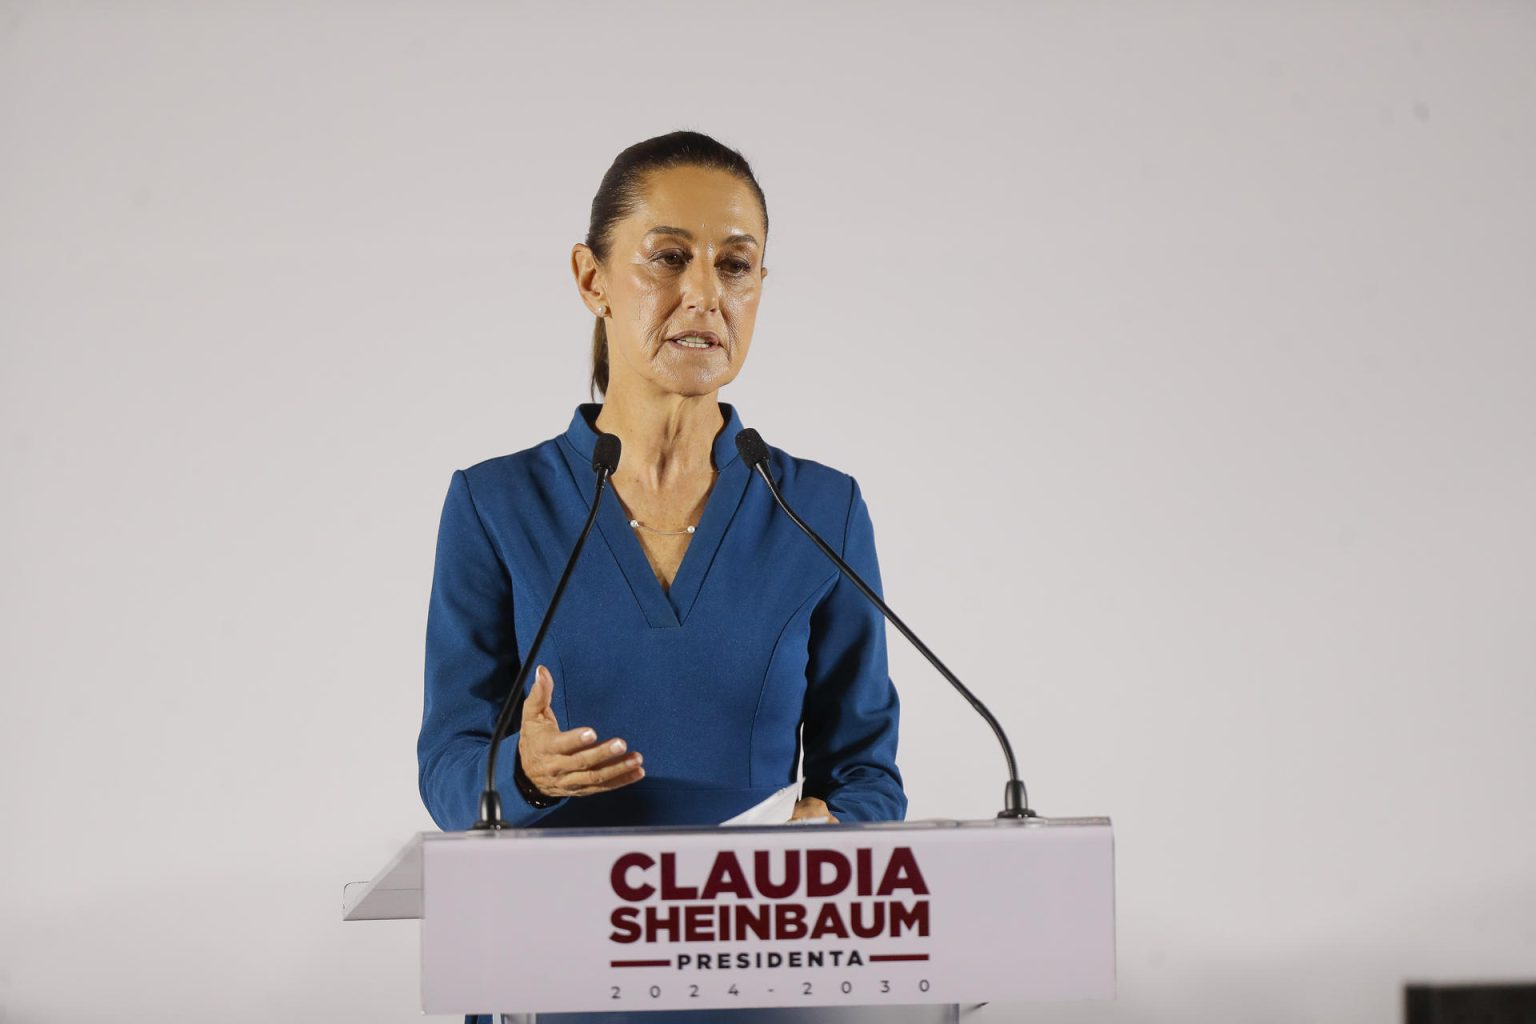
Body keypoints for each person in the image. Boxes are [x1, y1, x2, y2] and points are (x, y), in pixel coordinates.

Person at [416, 130, 906, 1022]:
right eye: (669, 259)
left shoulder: (819, 511)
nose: (704, 296)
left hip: (760, 986)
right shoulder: (496, 504)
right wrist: (520, 771)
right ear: (590, 279)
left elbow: (866, 772)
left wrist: (833, 827)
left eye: (735, 266)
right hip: (545, 980)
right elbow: (449, 769)